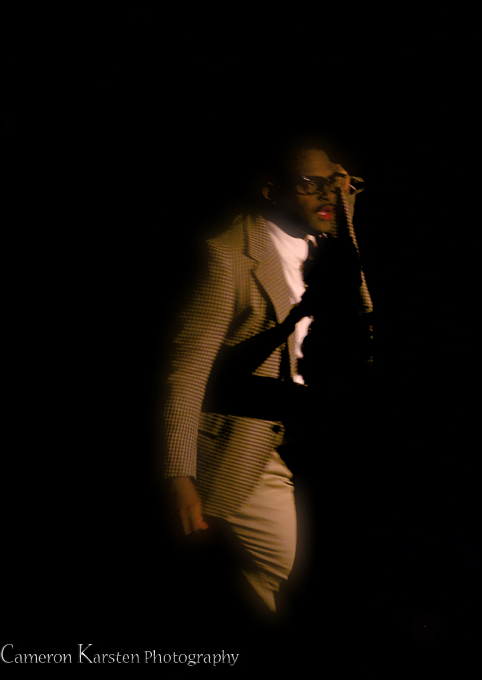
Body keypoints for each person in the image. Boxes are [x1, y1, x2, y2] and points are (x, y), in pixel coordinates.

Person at [161, 134, 372, 622]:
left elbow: (363, 319)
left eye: (336, 182)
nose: (328, 193)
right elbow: (187, 371)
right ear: (272, 192)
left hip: (312, 435)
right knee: (285, 567)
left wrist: (346, 221)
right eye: (310, 183)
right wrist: (178, 476)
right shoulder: (228, 257)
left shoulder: (329, 244)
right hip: (244, 445)